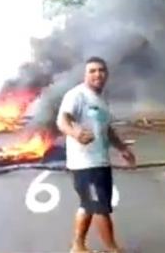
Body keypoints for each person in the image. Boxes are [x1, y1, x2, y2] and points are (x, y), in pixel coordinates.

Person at [57, 56, 136, 253]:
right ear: (85, 74)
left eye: (101, 70)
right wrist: (75, 132)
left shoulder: (101, 100)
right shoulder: (77, 95)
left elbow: (107, 130)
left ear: (106, 74)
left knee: (88, 205)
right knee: (100, 207)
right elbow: (62, 120)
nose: (97, 74)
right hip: (85, 164)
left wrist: (122, 148)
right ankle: (112, 249)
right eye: (92, 70)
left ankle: (78, 246)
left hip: (99, 161)